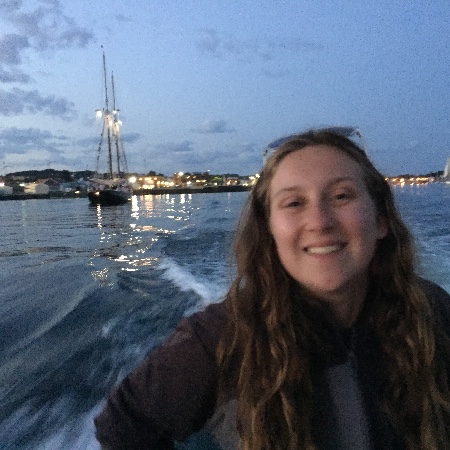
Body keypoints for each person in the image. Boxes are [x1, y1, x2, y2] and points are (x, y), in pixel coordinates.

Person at [94, 128, 450, 450]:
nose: (320, 222)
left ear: (381, 219)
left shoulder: (431, 310)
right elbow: (123, 423)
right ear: (269, 231)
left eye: (342, 196)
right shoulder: (222, 338)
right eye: (294, 203)